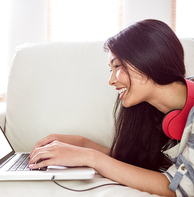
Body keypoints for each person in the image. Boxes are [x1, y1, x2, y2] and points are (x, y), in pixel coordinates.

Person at [28, 19, 194, 197]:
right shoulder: (153, 110)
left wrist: (90, 157)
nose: (111, 80)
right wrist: (83, 145)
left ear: (149, 59)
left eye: (117, 66)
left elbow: (179, 187)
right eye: (111, 69)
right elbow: (151, 166)